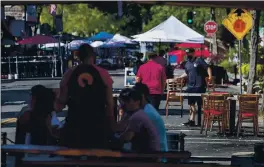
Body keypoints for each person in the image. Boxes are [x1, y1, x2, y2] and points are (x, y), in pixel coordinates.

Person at [54, 43, 115, 149]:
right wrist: (111, 123)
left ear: (79, 57)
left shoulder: (69, 74)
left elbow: (62, 100)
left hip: (75, 123)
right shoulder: (103, 74)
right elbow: (110, 103)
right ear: (93, 56)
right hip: (97, 123)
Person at [117, 88, 160, 152]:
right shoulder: (139, 113)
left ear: (137, 101)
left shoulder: (137, 117)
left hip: (148, 156)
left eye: (127, 101)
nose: (124, 104)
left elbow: (127, 138)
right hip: (149, 153)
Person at [176, 48, 212, 126]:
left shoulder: (199, 60)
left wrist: (210, 77)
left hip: (200, 85)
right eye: (187, 53)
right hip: (190, 86)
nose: (188, 55)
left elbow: (207, 67)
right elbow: (186, 73)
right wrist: (179, 77)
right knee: (191, 104)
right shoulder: (187, 63)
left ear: (193, 53)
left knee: (200, 105)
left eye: (189, 53)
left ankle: (201, 121)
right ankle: (191, 120)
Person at [133, 83, 168, 152]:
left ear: (141, 96)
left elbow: (129, 134)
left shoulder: (147, 113)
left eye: (133, 98)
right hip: (155, 151)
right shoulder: (147, 109)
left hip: (156, 154)